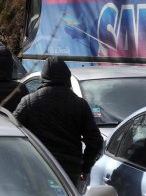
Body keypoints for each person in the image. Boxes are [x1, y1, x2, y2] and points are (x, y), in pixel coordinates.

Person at [13, 57, 102, 188]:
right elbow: (95, 140)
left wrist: (22, 163)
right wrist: (85, 167)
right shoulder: (79, 104)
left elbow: (14, 132)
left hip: (38, 169)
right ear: (67, 76)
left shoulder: (29, 102)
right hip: (70, 170)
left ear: (43, 77)